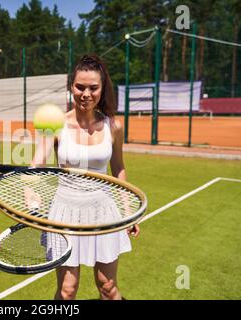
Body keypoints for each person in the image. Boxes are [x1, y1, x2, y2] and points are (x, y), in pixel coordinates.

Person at [32, 54, 140, 300]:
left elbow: (118, 168)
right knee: (67, 290)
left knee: (107, 287)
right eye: (80, 87)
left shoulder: (114, 126)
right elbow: (37, 164)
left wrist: (127, 209)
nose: (86, 94)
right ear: (71, 86)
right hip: (65, 212)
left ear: (102, 89)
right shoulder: (55, 124)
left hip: (103, 211)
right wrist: (31, 196)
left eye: (93, 88)